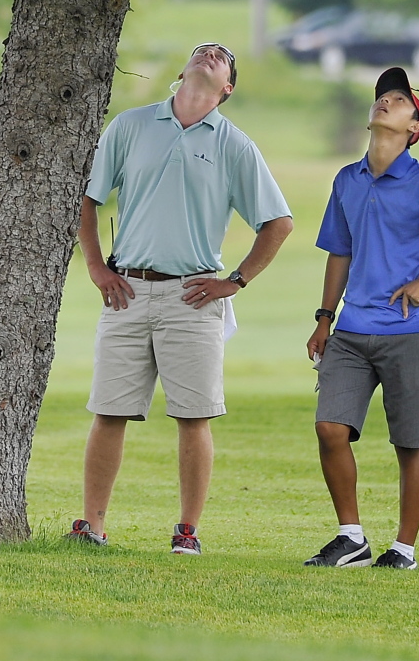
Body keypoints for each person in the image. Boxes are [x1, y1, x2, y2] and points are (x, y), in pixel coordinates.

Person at [66, 41, 292, 553]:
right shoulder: (130, 126)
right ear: (185, 69)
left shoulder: (234, 145)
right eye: (201, 50)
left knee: (194, 416)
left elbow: (279, 223)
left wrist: (235, 280)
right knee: (109, 410)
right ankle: (92, 527)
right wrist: (97, 267)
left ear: (227, 88)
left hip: (193, 297)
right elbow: (89, 197)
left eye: (220, 56)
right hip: (126, 291)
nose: (209, 53)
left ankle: (186, 530)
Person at [305, 67, 419, 570]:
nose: (385, 101)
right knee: (330, 429)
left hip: (410, 333)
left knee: (410, 444)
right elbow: (338, 253)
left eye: (399, 99)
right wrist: (325, 317)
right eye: (381, 96)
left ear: (415, 126)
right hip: (349, 331)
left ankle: (403, 550)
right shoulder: (347, 180)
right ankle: (352, 538)